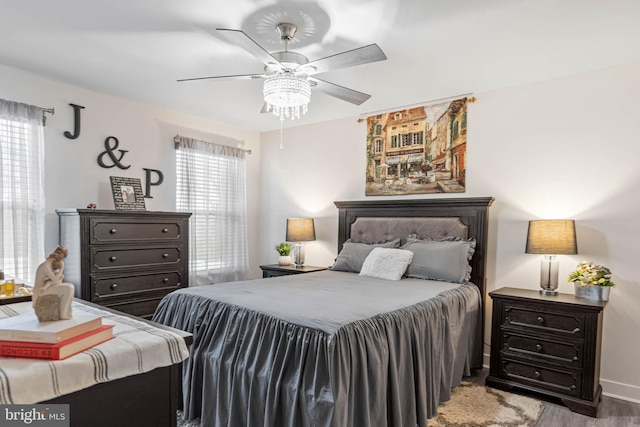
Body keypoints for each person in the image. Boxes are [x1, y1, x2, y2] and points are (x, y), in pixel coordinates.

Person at [33, 246, 75, 320]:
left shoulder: (49, 265)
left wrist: (58, 275)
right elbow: (55, 280)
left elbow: (51, 280)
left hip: (47, 288)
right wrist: (62, 268)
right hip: (41, 291)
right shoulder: (46, 265)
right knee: (69, 288)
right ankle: (63, 314)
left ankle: (65, 313)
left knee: (70, 287)